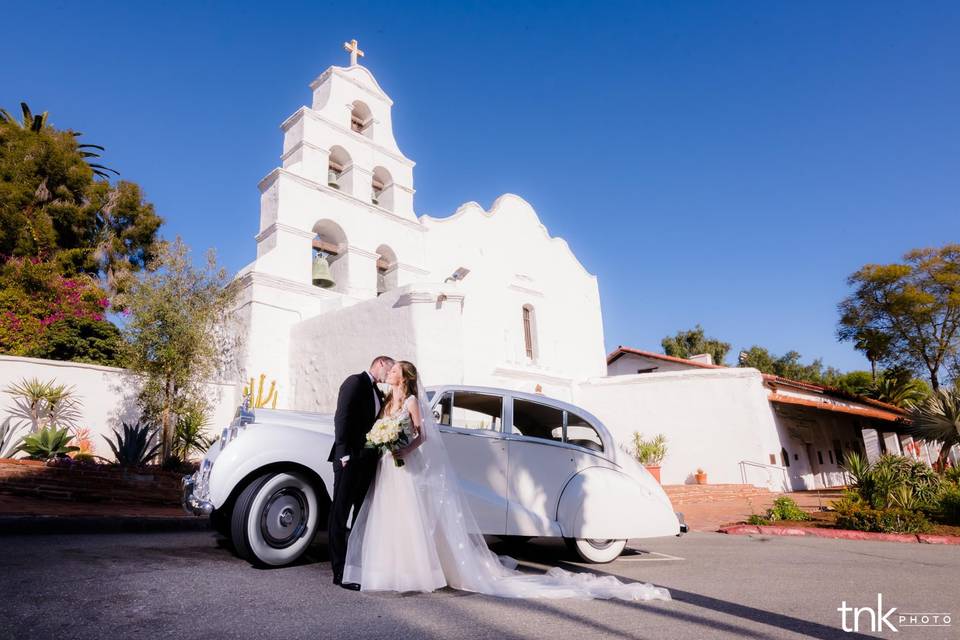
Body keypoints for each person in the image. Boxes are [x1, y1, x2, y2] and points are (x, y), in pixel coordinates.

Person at [342, 360, 671, 602]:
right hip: (391, 467)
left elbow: (421, 434)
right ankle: (388, 569)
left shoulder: (413, 402)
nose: (390, 372)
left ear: (405, 375)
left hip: (404, 463)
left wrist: (402, 450)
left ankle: (416, 571)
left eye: (395, 369)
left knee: (412, 519)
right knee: (392, 519)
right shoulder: (389, 401)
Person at [327, 355, 395, 589]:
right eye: (390, 369)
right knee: (340, 512)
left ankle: (354, 567)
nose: (390, 374)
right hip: (349, 459)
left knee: (359, 514)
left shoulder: (379, 393)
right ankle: (339, 571)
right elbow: (342, 417)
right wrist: (343, 453)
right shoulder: (354, 382)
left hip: (366, 461)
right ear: (380, 364)